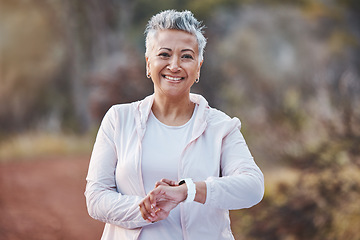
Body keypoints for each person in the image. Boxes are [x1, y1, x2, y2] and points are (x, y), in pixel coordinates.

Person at [85, 9, 264, 240]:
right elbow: (96, 197)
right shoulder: (119, 119)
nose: (175, 65)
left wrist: (187, 191)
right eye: (165, 54)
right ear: (149, 63)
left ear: (198, 67)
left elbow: (252, 186)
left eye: (187, 56)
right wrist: (144, 208)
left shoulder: (221, 127)